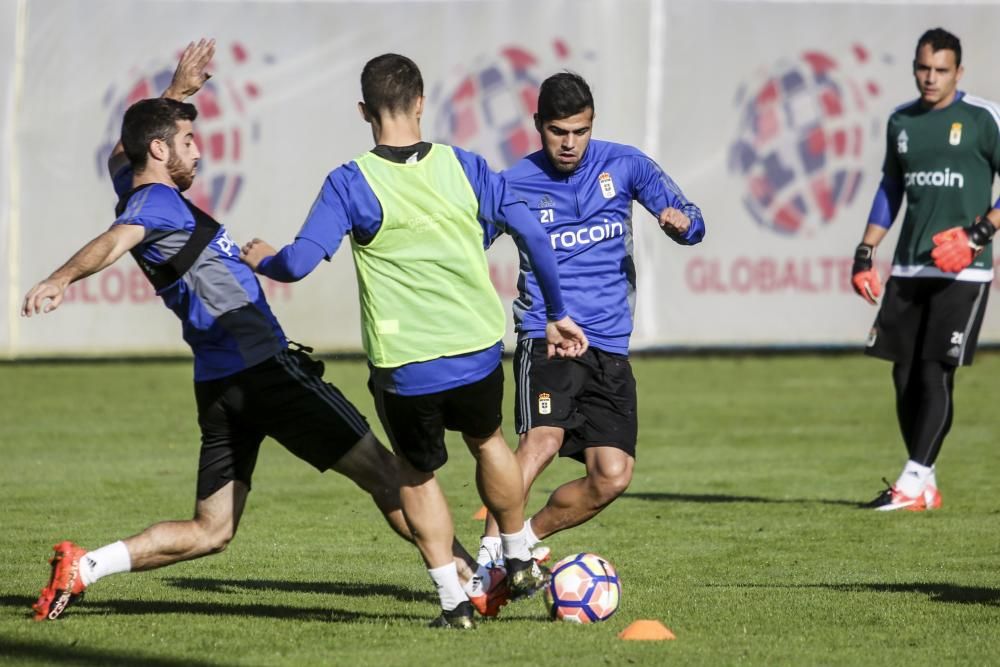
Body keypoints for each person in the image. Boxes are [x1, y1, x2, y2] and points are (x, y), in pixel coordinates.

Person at [23, 40, 494, 623]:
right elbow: (114, 240)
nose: (200, 154)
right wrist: (61, 277)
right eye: (189, 142)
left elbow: (124, 153)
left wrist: (174, 98)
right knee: (390, 474)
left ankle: (85, 567)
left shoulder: (137, 185)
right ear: (160, 149)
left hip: (221, 385)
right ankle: (471, 584)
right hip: (268, 371)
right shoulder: (155, 205)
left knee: (211, 529)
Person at [240, 53, 589, 629]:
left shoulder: (351, 181)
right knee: (489, 440)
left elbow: (299, 263)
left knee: (416, 473)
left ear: (363, 111)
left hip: (406, 363)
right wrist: (555, 312)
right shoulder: (466, 166)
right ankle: (518, 554)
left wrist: (265, 261)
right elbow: (531, 231)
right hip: (475, 345)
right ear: (422, 103)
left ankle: (454, 604)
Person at [475, 72, 705, 567]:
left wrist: (682, 226)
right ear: (538, 125)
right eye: (559, 131)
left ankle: (527, 540)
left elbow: (691, 216)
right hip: (547, 335)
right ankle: (490, 562)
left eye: (580, 131)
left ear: (592, 124)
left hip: (608, 345)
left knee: (612, 475)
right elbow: (467, 246)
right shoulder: (511, 185)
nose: (570, 143)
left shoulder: (625, 165)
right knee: (541, 441)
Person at [851, 28, 1000, 511]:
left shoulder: (982, 119)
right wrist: (865, 250)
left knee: (935, 370)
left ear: (959, 72)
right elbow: (890, 187)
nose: (930, 78)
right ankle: (924, 482)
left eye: (940, 70)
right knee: (903, 373)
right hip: (912, 264)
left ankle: (912, 480)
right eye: (923, 68)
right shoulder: (902, 121)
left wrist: (979, 233)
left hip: (964, 268)